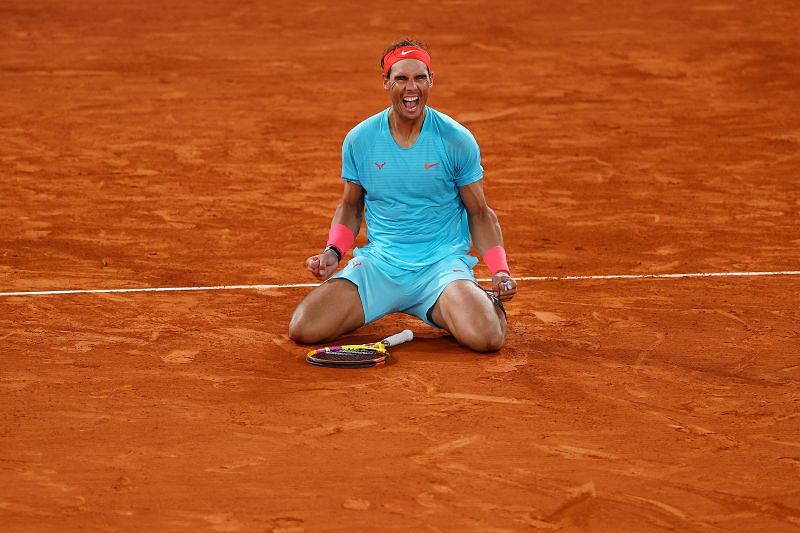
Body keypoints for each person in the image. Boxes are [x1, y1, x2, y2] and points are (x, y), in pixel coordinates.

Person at [288, 38, 517, 352]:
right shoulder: (360, 140)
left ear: (430, 80)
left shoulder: (456, 140)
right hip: (380, 267)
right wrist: (333, 251)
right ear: (386, 83)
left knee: (488, 338)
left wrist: (499, 269)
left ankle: (482, 305)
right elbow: (350, 205)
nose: (412, 88)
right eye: (402, 78)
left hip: (440, 269)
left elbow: (479, 212)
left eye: (420, 78)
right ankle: (433, 309)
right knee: (304, 327)